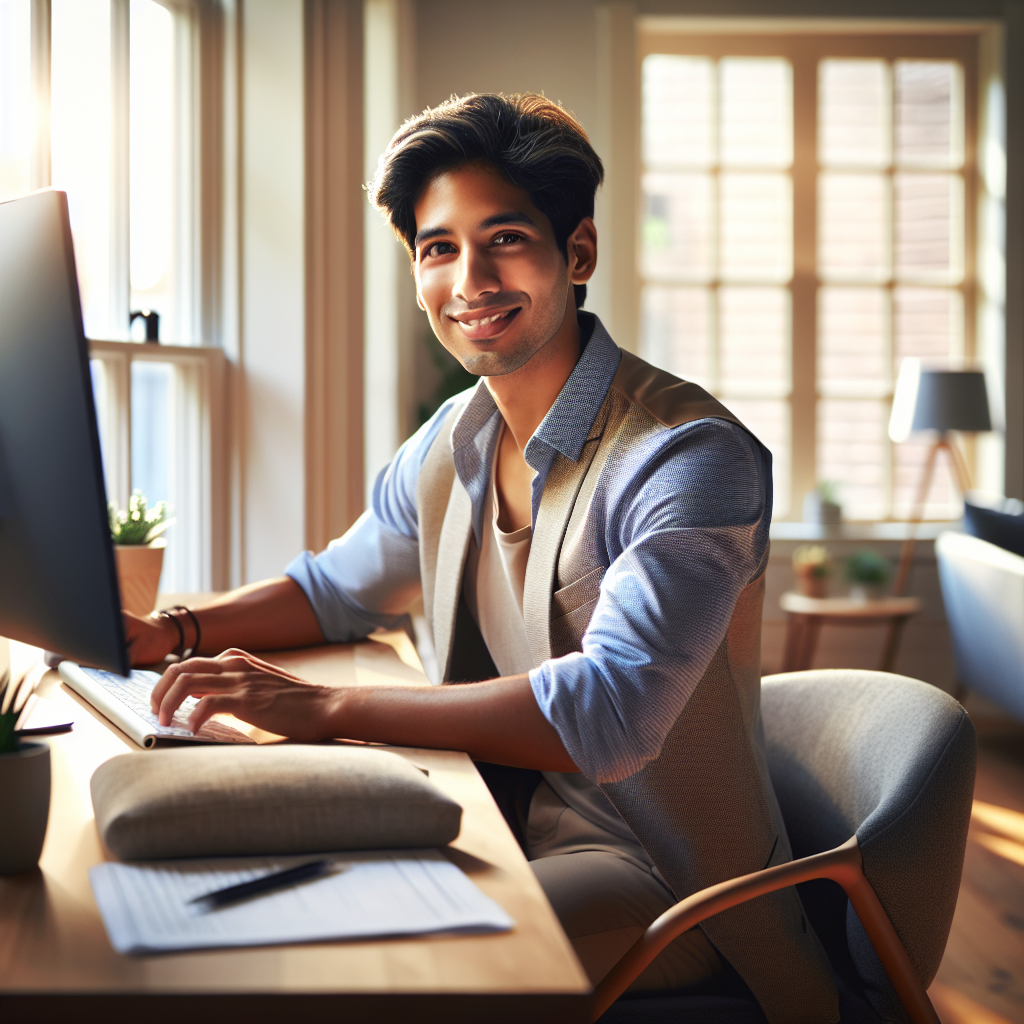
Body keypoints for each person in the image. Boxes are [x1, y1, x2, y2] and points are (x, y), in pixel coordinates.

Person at [127, 93, 837, 1022]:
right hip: (494, 822)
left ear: (576, 253)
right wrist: (166, 633)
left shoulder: (687, 456)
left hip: (669, 882)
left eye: (504, 238)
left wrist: (329, 707)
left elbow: (613, 711)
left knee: (373, 972)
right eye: (438, 248)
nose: (470, 280)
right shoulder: (455, 436)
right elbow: (335, 590)